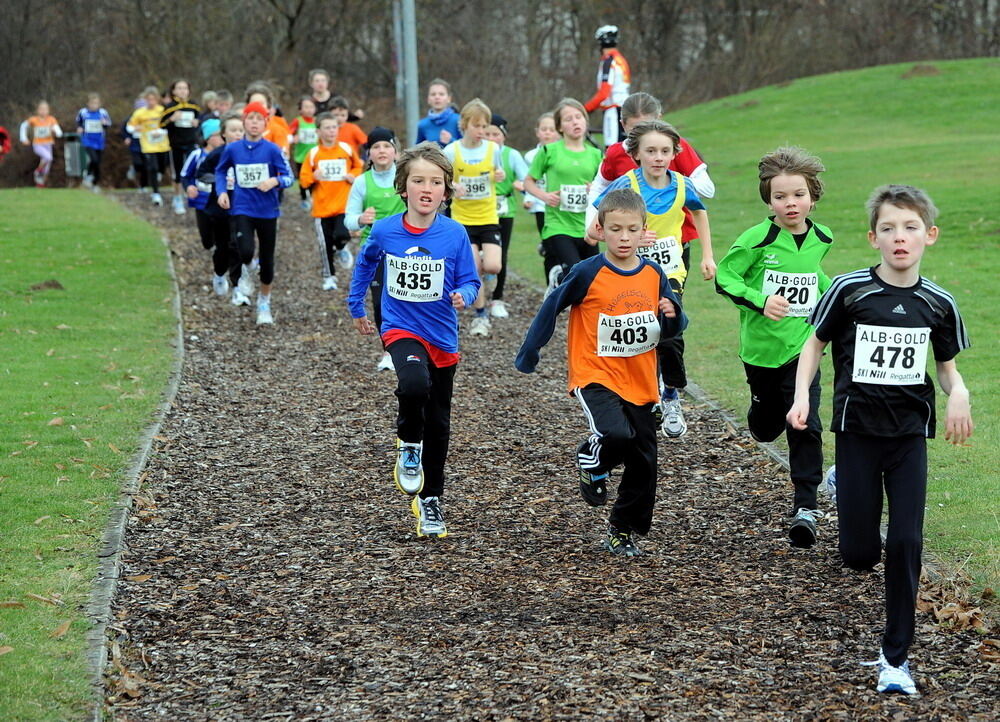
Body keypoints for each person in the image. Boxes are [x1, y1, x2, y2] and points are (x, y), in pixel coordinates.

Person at [788, 184, 973, 695]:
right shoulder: (850, 291)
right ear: (873, 237)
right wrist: (802, 395)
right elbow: (814, 343)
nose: (900, 237)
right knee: (858, 554)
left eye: (910, 227)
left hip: (909, 437)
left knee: (908, 542)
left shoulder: (939, 303)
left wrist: (959, 393)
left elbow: (947, 368)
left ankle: (895, 660)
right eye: (889, 228)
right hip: (857, 434)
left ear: (929, 236)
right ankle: (840, 478)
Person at [516, 188, 685, 555]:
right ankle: (591, 458)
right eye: (615, 229)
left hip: (640, 380)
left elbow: (673, 324)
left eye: (631, 230)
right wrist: (531, 351)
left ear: (644, 231)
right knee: (615, 434)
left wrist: (672, 316)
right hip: (594, 373)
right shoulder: (588, 271)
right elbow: (553, 306)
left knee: (645, 463)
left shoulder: (654, 273)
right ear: (600, 229)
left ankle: (620, 528)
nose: (624, 238)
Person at [347, 142, 481, 538]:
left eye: (436, 182)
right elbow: (366, 261)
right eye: (418, 180)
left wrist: (465, 296)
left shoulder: (454, 234)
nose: (427, 188)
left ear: (446, 190)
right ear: (403, 187)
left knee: (439, 423)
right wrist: (356, 305)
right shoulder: (387, 229)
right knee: (413, 383)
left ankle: (430, 500)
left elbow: (470, 280)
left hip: (442, 334)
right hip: (401, 327)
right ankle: (408, 443)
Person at [715, 147, 832, 547]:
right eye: (780, 196)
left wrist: (831, 303)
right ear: (769, 200)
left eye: (798, 194)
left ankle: (806, 506)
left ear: (812, 195)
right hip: (761, 352)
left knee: (805, 422)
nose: (790, 203)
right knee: (767, 428)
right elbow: (726, 279)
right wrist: (760, 301)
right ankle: (760, 409)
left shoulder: (821, 237)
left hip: (803, 349)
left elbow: (813, 275)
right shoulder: (757, 238)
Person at [588, 120, 712, 439]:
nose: (658, 157)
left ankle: (671, 395)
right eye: (651, 151)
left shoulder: (683, 185)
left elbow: (699, 212)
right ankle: (640, 394)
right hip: (630, 272)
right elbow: (597, 226)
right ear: (637, 155)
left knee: (670, 331)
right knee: (640, 332)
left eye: (665, 151)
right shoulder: (625, 185)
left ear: (675, 153)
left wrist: (708, 255)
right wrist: (625, 237)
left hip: (670, 272)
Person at [215, 101, 294, 325]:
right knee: (245, 250)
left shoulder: (272, 149)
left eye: (260, 119)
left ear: (265, 123)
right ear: (244, 121)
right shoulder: (232, 149)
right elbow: (220, 171)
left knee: (267, 261)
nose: (255, 123)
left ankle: (264, 302)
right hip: (242, 207)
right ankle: (249, 268)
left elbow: (289, 177)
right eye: (251, 118)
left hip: (268, 211)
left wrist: (274, 181)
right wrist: (222, 192)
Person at [523, 98, 603, 294]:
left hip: (587, 226)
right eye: (568, 119)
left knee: (591, 280)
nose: (575, 122)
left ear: (585, 121)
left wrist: (595, 188)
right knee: (575, 273)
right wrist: (545, 196)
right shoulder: (549, 151)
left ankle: (564, 290)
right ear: (559, 126)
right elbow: (528, 182)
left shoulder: (595, 154)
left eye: (579, 117)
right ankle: (559, 277)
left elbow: (604, 187)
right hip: (558, 224)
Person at [344, 126, 406, 371]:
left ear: (395, 151)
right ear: (368, 154)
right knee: (381, 301)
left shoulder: (405, 177)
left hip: (406, 247)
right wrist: (361, 219)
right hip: (376, 250)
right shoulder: (362, 182)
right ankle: (389, 351)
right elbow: (348, 219)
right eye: (376, 147)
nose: (382, 151)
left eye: (387, 146)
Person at [443, 98, 506, 337]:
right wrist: (453, 186)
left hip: (488, 216)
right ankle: (481, 315)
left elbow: (499, 172)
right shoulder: (452, 151)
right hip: (462, 220)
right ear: (464, 125)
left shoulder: (493, 149)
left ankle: (486, 275)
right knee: (473, 269)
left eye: (485, 127)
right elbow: (444, 180)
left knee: (493, 265)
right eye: (477, 126)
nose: (482, 132)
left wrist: (499, 174)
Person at [299, 112, 363, 290]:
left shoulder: (346, 149)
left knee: (342, 235)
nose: (331, 131)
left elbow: (358, 166)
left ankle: (342, 248)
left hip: (343, 205)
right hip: (321, 208)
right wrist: (313, 176)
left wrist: (353, 175)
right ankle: (329, 276)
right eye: (327, 127)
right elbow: (303, 180)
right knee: (325, 244)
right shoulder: (313, 154)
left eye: (334, 127)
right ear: (318, 131)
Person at [484, 112, 530, 319]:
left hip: (504, 209)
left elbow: (527, 180)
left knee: (501, 255)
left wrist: (522, 188)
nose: (492, 139)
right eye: (487, 134)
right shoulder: (476, 153)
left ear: (503, 136)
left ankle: (497, 298)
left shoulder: (511, 155)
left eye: (496, 134)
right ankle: (473, 295)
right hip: (479, 210)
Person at [181, 118, 233, 297]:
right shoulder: (197, 155)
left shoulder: (228, 153)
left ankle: (225, 264)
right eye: (216, 135)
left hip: (220, 201)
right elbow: (186, 175)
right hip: (201, 201)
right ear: (207, 138)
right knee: (206, 240)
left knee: (227, 240)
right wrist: (189, 186)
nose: (219, 138)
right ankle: (216, 251)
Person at [522, 112, 559, 279]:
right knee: (551, 246)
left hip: (560, 205)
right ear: (537, 132)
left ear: (558, 131)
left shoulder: (562, 153)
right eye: (544, 129)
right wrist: (528, 199)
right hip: (540, 205)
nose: (547, 133)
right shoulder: (530, 156)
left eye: (551, 129)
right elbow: (528, 180)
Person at [583, 25, 631, 148]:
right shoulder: (621, 59)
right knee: (623, 148)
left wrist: (584, 109)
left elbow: (604, 93)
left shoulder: (608, 61)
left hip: (613, 109)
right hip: (624, 109)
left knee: (612, 150)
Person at [160, 79, 203, 215]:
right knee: (178, 172)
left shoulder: (194, 106)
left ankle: (192, 194)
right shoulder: (170, 107)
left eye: (185, 88)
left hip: (191, 143)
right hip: (176, 145)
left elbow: (199, 121)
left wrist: (197, 122)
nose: (182, 91)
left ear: (189, 90)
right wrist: (172, 119)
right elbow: (161, 124)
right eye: (179, 88)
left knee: (193, 170)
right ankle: (177, 197)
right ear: (173, 91)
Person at [126, 87, 170, 205]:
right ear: (145, 100)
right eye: (148, 99)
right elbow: (129, 126)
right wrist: (135, 128)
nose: (151, 102)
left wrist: (161, 131)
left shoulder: (162, 111)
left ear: (157, 100)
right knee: (153, 168)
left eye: (153, 99)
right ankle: (156, 194)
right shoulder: (140, 113)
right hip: (148, 145)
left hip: (163, 145)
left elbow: (169, 125)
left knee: (162, 166)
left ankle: (158, 175)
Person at [19, 100, 63, 187]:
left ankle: (41, 184)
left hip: (48, 144)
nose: (43, 111)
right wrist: (23, 138)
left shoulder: (51, 119)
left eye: (45, 109)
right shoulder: (33, 120)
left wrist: (54, 131)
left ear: (48, 110)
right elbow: (23, 126)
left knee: (47, 165)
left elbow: (59, 132)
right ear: (37, 110)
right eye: (41, 109)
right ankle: (38, 171)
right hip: (38, 144)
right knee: (48, 158)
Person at [75, 93, 112, 192]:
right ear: (88, 104)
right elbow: (78, 122)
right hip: (87, 140)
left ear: (99, 104)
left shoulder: (103, 113)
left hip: (99, 140)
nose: (94, 105)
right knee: (94, 159)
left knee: (97, 163)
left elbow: (109, 124)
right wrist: (79, 128)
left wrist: (105, 123)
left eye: (96, 103)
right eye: (92, 103)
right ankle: (88, 175)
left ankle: (95, 183)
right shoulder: (83, 112)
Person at [289, 96, 319, 210]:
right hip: (301, 156)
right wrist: (293, 138)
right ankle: (303, 198)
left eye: (311, 107)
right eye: (306, 107)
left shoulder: (317, 121)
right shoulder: (298, 121)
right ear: (300, 109)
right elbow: (288, 133)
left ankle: (312, 196)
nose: (309, 109)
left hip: (315, 156)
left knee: (314, 177)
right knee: (303, 179)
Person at [416, 78, 461, 148]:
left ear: (449, 98)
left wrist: (451, 140)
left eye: (441, 94)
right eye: (433, 94)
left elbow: (468, 147)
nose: (437, 97)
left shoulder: (459, 120)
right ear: (428, 99)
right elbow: (417, 151)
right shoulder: (423, 125)